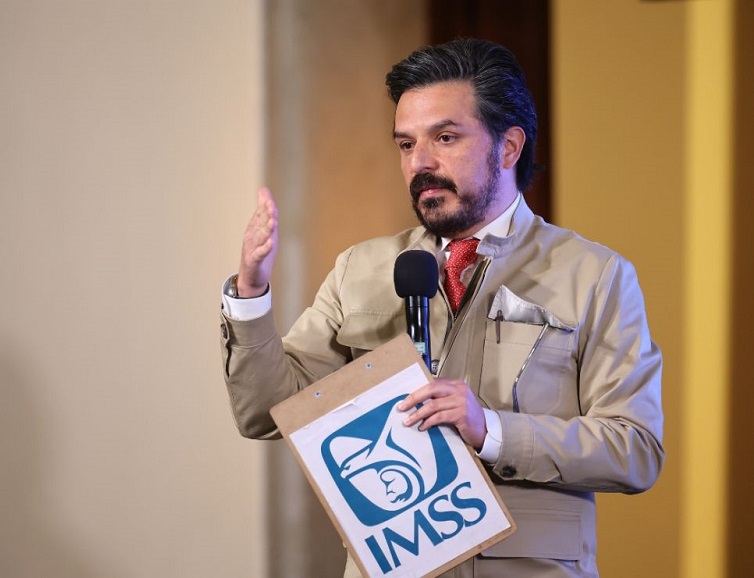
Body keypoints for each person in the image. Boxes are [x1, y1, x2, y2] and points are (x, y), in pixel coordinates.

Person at [219, 38, 663, 578]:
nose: (420, 163)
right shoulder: (360, 267)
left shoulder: (594, 275)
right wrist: (250, 293)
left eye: (445, 138)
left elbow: (635, 449)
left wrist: (491, 429)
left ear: (508, 147)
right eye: (406, 144)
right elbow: (269, 413)